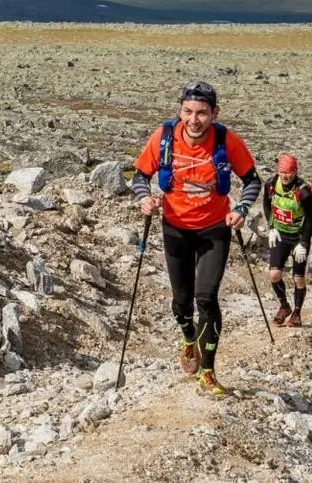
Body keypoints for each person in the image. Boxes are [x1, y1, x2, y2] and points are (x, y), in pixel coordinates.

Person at [129, 80, 261, 397]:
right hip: (175, 227)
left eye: (202, 112)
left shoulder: (227, 141)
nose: (194, 119)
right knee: (182, 303)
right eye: (188, 111)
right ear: (180, 110)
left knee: (206, 299)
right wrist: (144, 198)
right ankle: (189, 338)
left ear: (214, 113)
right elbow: (139, 176)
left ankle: (208, 371)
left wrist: (241, 208)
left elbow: (253, 181)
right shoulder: (163, 138)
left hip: (214, 229)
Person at [262, 154, 312, 327]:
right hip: (280, 234)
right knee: (274, 274)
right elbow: (266, 205)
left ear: (295, 172)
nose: (285, 176)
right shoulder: (271, 184)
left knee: (298, 278)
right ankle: (284, 306)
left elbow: (311, 219)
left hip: (298, 238)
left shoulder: (304, 191)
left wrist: (304, 243)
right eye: (282, 172)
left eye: (289, 172)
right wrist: (271, 228)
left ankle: (297, 313)